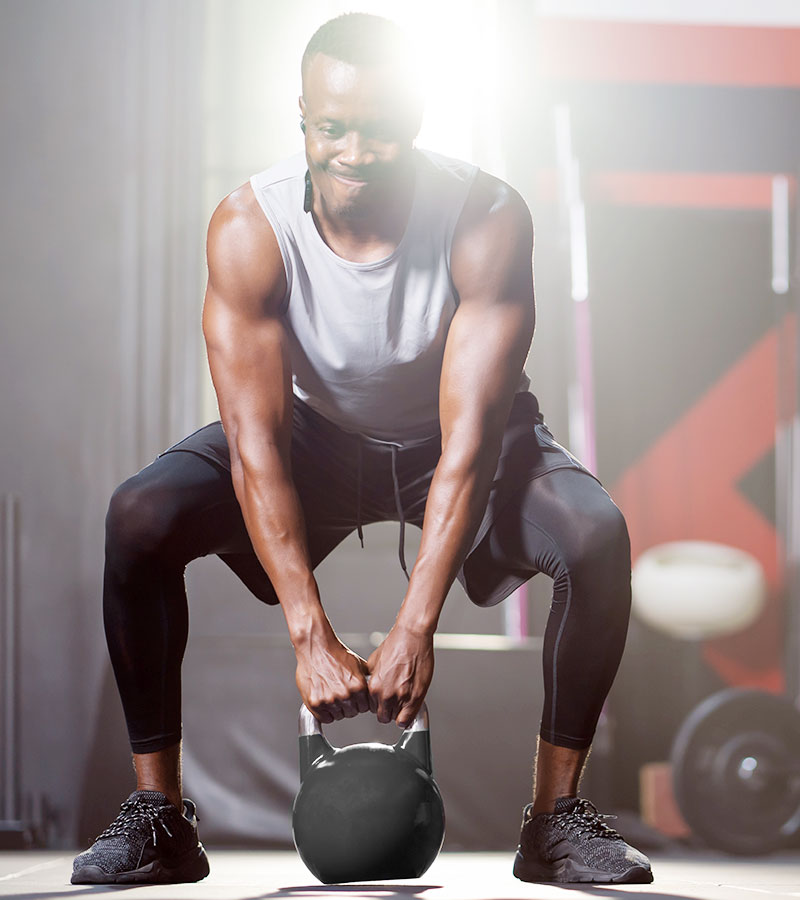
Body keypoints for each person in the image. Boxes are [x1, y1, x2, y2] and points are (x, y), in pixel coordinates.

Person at [71, 12, 653, 887]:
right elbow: (256, 445)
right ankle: (161, 818)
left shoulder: (484, 216)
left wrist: (419, 624)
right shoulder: (248, 228)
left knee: (595, 534)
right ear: (300, 115)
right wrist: (308, 632)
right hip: (315, 440)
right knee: (140, 515)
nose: (351, 150)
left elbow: (468, 444)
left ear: (415, 120)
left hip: (457, 440)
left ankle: (553, 820)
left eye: (377, 129)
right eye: (330, 127)